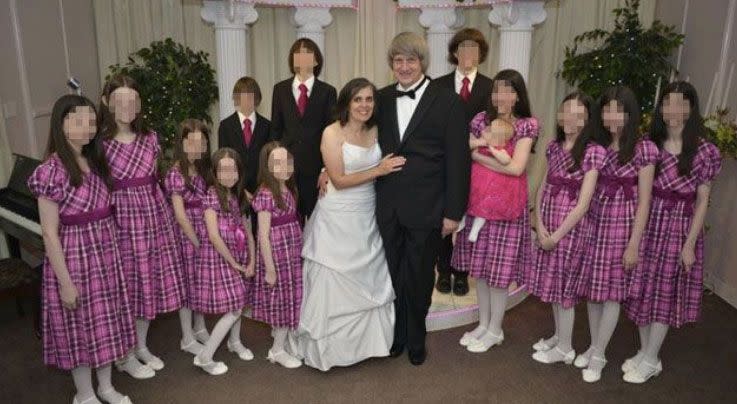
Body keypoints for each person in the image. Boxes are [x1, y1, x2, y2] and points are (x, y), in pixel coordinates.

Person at [287, 78, 403, 371]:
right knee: (331, 276)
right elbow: (338, 179)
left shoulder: (378, 129)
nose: (364, 105)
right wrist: (377, 169)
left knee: (368, 276)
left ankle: (370, 345)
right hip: (336, 213)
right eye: (357, 99)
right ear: (346, 103)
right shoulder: (331, 132)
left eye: (369, 99)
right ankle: (328, 350)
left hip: (366, 212)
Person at [29, 94, 135, 404]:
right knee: (79, 332)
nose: (86, 127)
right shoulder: (51, 171)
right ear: (60, 125)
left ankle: (106, 388)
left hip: (104, 255)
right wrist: (65, 283)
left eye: (91, 120)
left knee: (106, 325)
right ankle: (85, 395)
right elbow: (49, 233)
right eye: (77, 120)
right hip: (74, 259)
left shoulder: (95, 161)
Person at [375, 32, 470, 365]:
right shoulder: (380, 98)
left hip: (429, 208)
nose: (404, 66)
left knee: (418, 276)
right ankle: (397, 335)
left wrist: (453, 212)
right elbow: (355, 136)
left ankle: (416, 337)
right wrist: (331, 170)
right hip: (387, 205)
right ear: (391, 64)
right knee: (393, 273)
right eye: (398, 60)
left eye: (410, 60)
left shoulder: (448, 101)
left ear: (423, 63)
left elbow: (459, 161)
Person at [623, 81, 721, 384]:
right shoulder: (649, 146)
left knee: (665, 294)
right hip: (649, 224)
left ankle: (652, 358)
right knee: (642, 290)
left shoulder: (706, 151)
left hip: (679, 228)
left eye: (681, 104)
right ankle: (645, 351)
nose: (673, 111)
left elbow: (703, 201)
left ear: (691, 109)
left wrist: (690, 244)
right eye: (667, 104)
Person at [452, 70, 539, 353]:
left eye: (507, 91)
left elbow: (516, 167)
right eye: (497, 91)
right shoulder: (481, 120)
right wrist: (486, 155)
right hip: (479, 205)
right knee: (482, 272)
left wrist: (482, 157)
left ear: (517, 96)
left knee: (499, 275)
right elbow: (465, 151)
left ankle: (495, 329)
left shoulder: (527, 125)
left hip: (507, 209)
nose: (501, 97)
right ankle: (483, 323)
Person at [575, 86, 657, 382]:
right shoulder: (596, 144)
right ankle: (596, 346)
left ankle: (598, 355)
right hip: (595, 222)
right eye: (607, 109)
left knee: (611, 294)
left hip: (623, 226)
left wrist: (634, 243)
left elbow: (646, 199)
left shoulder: (643, 148)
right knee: (594, 292)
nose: (612, 116)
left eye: (619, 110)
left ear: (630, 113)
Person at [433, 28, 493, 295]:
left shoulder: (491, 87)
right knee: (445, 215)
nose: (469, 53)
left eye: (475, 49)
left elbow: (498, 126)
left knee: (471, 219)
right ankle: (443, 270)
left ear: (481, 55)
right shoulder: (437, 85)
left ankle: (462, 272)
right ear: (455, 52)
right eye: (464, 47)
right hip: (444, 163)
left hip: (480, 163)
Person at [192, 148, 255, 376]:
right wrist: (234, 263)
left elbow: (246, 231)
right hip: (219, 258)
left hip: (235, 255)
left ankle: (235, 342)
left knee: (237, 304)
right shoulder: (211, 195)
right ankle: (205, 356)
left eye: (233, 169)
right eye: (223, 169)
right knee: (235, 307)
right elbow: (213, 235)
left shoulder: (234, 197)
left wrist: (251, 260)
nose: (229, 174)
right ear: (215, 173)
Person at [270, 38, 337, 219]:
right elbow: (275, 129)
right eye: (297, 54)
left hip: (315, 168)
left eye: (307, 54)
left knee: (315, 220)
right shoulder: (280, 89)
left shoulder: (328, 91)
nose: (301, 58)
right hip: (286, 168)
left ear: (316, 61)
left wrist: (326, 169)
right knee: (288, 217)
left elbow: (331, 134)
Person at [252, 142, 304, 369]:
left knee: (292, 299)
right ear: (268, 166)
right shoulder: (265, 194)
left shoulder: (289, 189)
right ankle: (277, 350)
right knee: (282, 302)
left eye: (287, 161)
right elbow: (263, 235)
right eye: (277, 162)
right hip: (277, 256)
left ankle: (285, 341)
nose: (284, 166)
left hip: (291, 254)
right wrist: (270, 268)